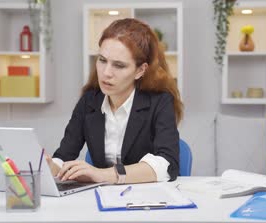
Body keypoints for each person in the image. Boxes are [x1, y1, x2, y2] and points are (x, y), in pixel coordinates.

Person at [46, 18, 183, 185]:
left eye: (119, 65)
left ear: (140, 70)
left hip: (147, 199)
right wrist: (51, 166)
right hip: (103, 199)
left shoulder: (160, 102)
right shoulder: (90, 100)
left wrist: (103, 175)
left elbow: (167, 164)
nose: (106, 73)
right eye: (102, 60)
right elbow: (64, 155)